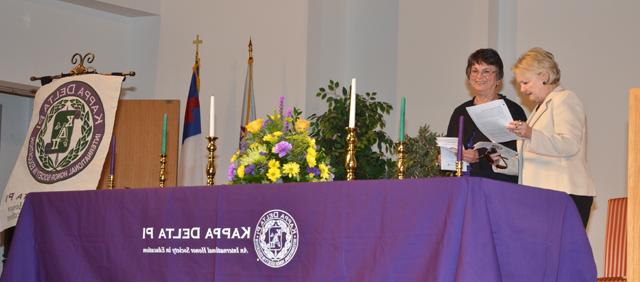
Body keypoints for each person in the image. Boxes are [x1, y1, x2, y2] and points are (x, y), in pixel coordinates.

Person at [492, 47, 595, 227]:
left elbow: (569, 144)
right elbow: (533, 159)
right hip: (544, 196)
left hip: (564, 193)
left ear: (544, 76)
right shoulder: (539, 109)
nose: (522, 89)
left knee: (561, 254)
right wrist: (499, 159)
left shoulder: (564, 99)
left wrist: (531, 133)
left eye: (525, 82)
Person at [446, 48, 527, 183]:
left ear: (498, 78)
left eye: (487, 71)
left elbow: (520, 154)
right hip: (463, 186)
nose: (479, 76)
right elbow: (451, 147)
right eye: (475, 71)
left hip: (499, 187)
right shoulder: (460, 112)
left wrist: (480, 156)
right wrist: (444, 157)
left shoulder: (513, 110)